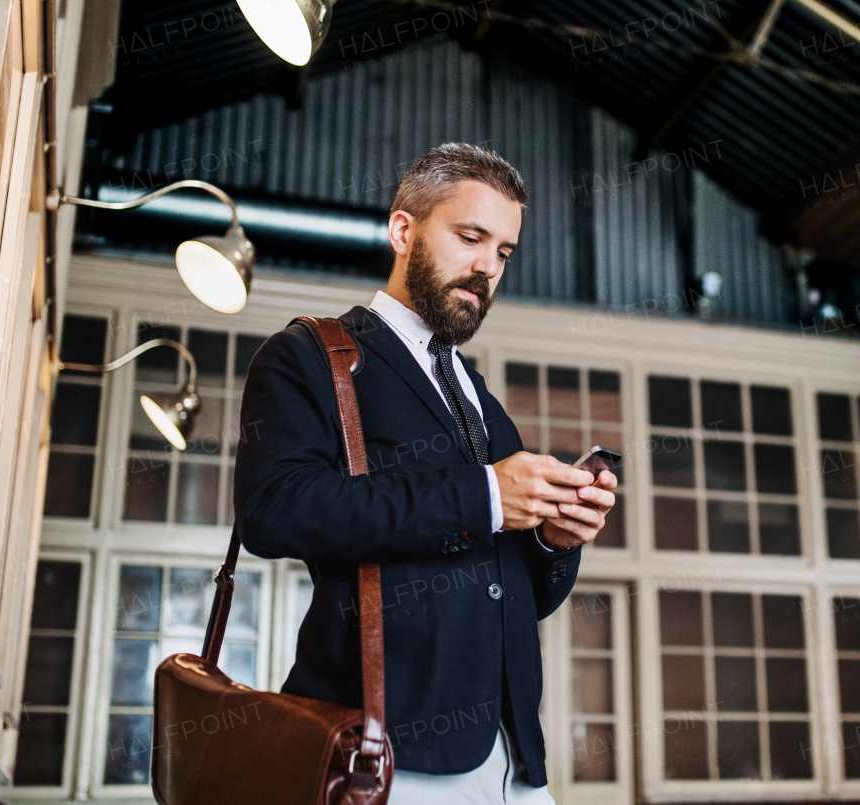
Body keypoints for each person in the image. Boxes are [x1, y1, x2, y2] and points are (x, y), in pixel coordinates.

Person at [234, 142, 618, 804]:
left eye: (503, 252)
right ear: (402, 230)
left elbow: (516, 599)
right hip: (386, 757)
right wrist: (484, 494)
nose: (485, 267)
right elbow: (271, 509)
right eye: (471, 237)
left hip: (517, 762)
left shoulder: (479, 396)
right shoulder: (309, 355)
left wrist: (555, 542)